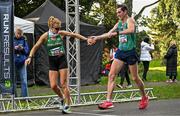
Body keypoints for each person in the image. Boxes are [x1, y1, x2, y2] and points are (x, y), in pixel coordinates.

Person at [88, 4, 148, 110]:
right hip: (120, 52)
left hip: (130, 52)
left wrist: (117, 33)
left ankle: (144, 97)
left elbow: (131, 30)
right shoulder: (119, 23)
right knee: (111, 75)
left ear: (125, 12)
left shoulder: (130, 20)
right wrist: (96, 37)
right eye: (117, 12)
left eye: (119, 12)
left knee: (135, 78)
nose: (117, 14)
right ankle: (108, 101)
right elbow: (109, 33)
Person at [25, 16, 88, 114]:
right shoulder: (45, 36)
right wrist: (29, 57)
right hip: (52, 61)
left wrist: (86, 39)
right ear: (51, 27)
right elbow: (35, 46)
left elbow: (74, 35)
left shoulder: (61, 33)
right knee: (53, 85)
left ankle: (67, 105)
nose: (58, 30)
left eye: (59, 28)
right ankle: (62, 97)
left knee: (63, 84)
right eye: (56, 28)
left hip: (62, 60)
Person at [14, 27, 29, 97]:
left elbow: (27, 51)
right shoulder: (11, 39)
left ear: (22, 34)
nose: (18, 35)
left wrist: (22, 48)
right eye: (17, 34)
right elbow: (7, 50)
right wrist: (14, 48)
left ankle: (24, 97)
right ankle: (13, 97)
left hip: (22, 62)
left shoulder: (24, 40)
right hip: (13, 62)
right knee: (13, 81)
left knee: (24, 81)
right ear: (15, 33)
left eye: (20, 34)